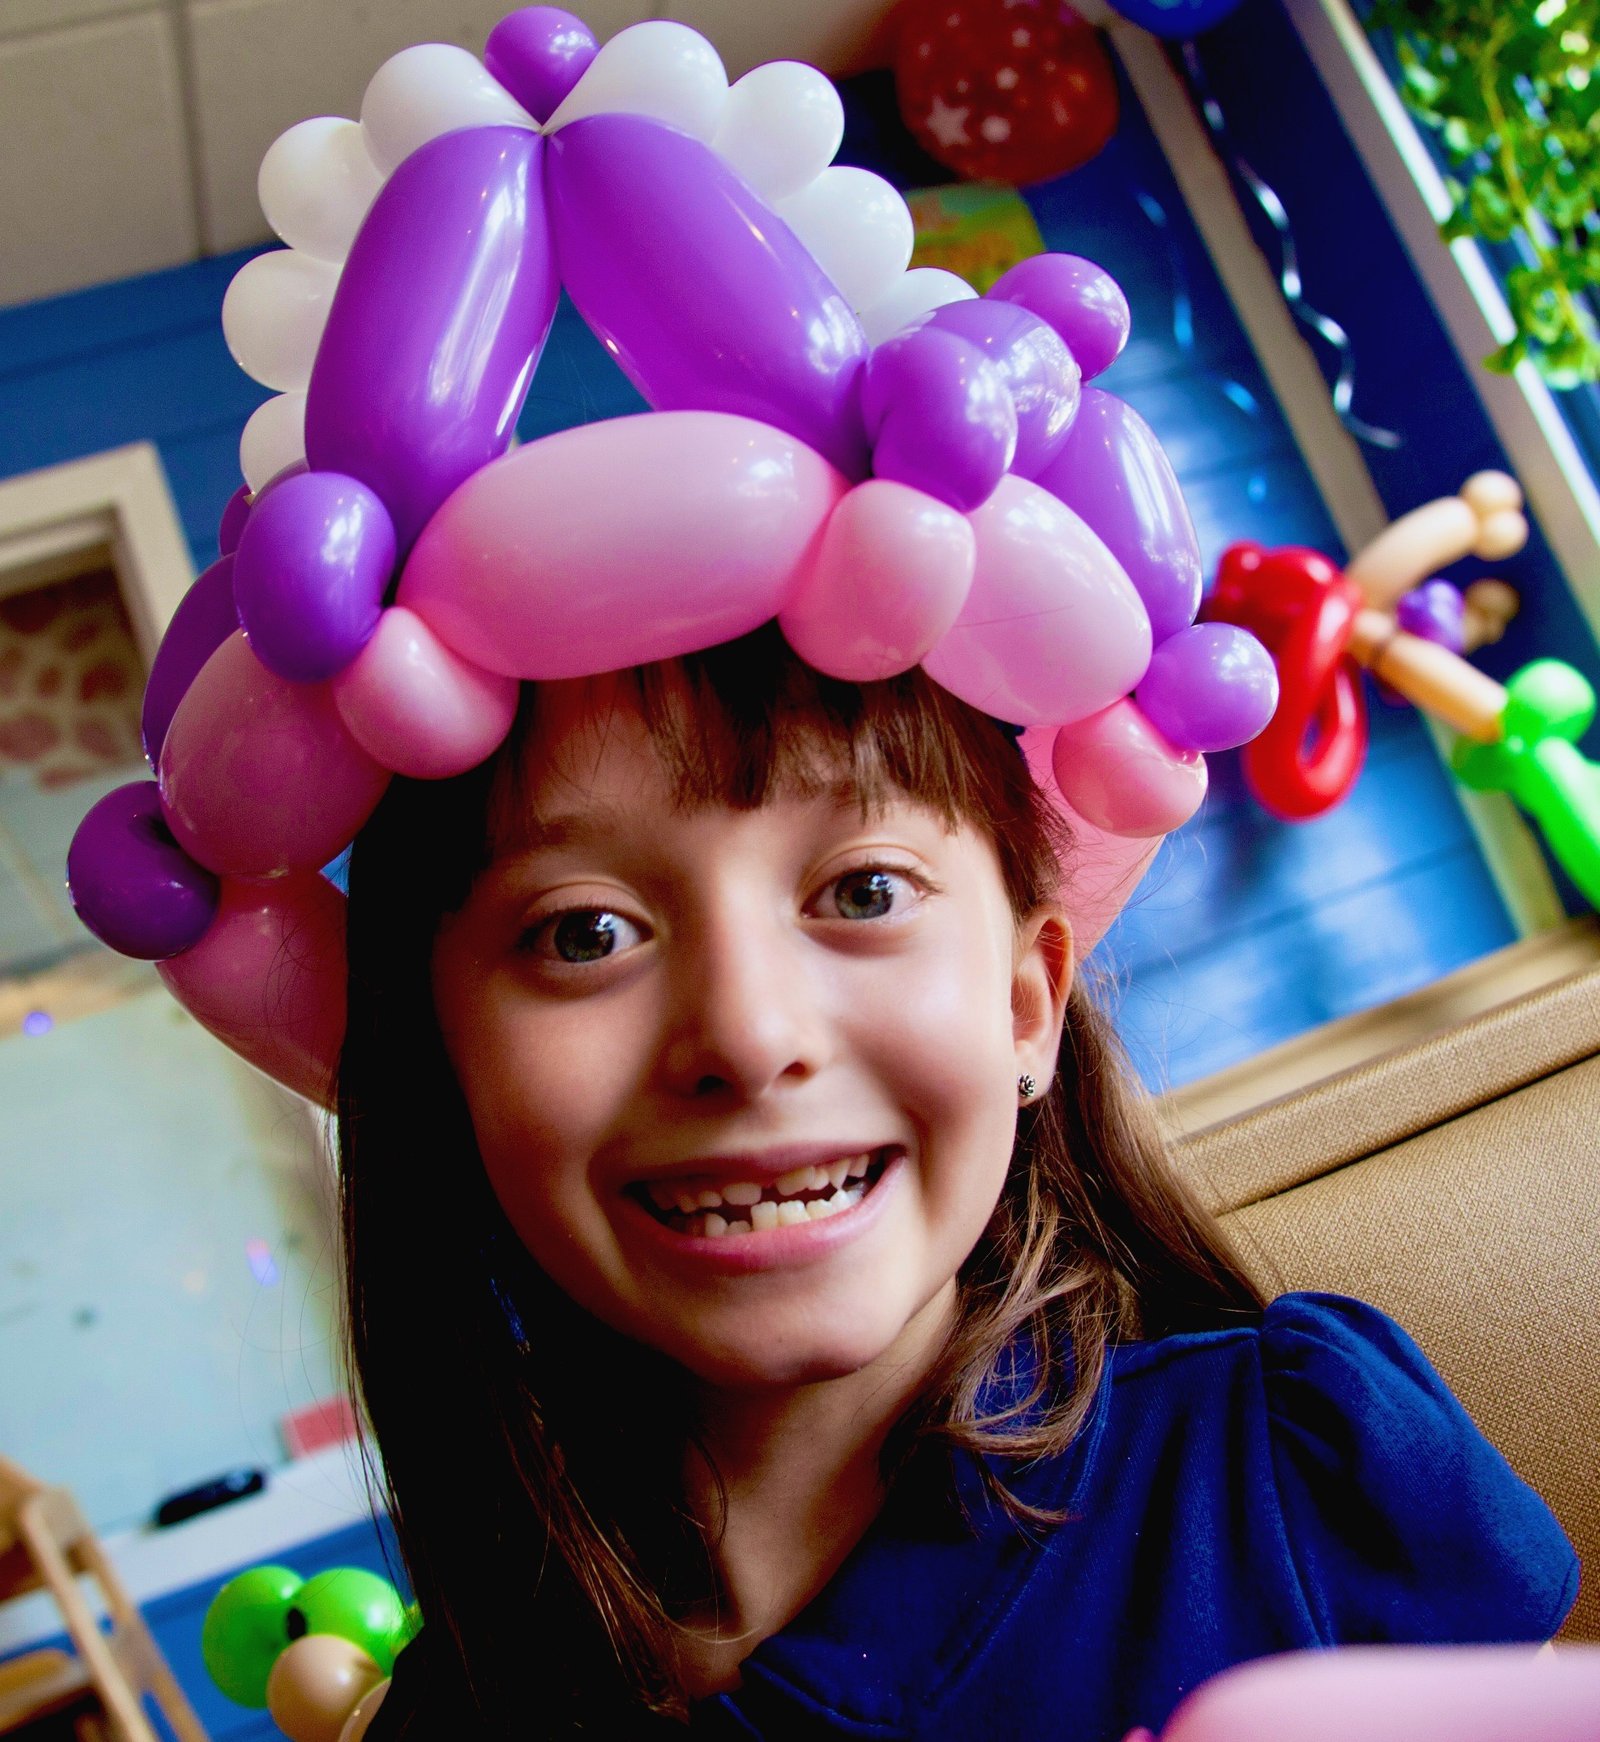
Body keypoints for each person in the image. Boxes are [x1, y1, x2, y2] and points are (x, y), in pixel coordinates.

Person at [64, 10, 1578, 1738]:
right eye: (585, 931)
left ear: (1028, 997)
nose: (749, 1030)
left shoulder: (1302, 1477)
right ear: (451, 1069)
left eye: (858, 891)